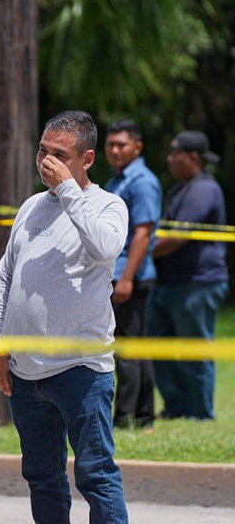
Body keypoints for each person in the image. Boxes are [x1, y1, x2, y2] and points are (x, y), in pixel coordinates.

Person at [0, 110, 134, 524]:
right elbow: (7, 275)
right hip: (27, 372)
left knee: (94, 471)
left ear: (86, 159)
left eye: (60, 154)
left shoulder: (108, 205)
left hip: (81, 369)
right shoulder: (31, 207)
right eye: (43, 151)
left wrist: (70, 190)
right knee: (42, 475)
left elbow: (106, 248)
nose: (46, 162)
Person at [148, 131, 228, 420]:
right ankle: (176, 406)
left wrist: (137, 254)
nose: (169, 159)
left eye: (175, 153)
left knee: (194, 349)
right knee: (157, 346)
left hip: (198, 283)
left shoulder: (204, 189)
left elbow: (178, 237)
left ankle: (200, 413)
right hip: (170, 282)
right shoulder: (183, 188)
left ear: (193, 158)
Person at [104, 120, 161, 429]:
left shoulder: (141, 182)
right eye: (110, 144)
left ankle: (126, 418)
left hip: (129, 276)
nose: (114, 150)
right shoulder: (118, 180)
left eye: (121, 145)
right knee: (133, 346)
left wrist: (126, 277)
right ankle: (142, 415)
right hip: (119, 273)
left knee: (126, 349)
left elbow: (142, 233)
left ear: (137, 147)